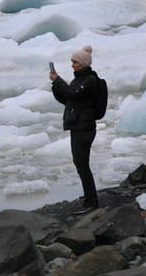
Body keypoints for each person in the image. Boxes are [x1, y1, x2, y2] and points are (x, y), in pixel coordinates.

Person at [49, 45, 99, 211]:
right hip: (77, 127)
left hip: (84, 128)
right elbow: (67, 99)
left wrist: (58, 80)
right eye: (72, 62)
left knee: (82, 164)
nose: (72, 65)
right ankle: (90, 199)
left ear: (83, 64)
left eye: (75, 62)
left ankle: (91, 203)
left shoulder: (90, 80)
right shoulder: (79, 79)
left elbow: (72, 93)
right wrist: (55, 85)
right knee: (80, 164)